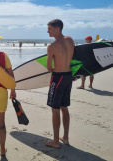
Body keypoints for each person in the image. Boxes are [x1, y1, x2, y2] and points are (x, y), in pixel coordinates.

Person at [45, 19, 75, 148]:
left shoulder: (52, 46)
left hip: (58, 78)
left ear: (57, 29)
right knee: (64, 107)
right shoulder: (70, 40)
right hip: (69, 76)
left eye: (50, 29)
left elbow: (48, 67)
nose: (48, 31)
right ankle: (66, 138)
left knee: (55, 109)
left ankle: (56, 141)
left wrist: (54, 68)